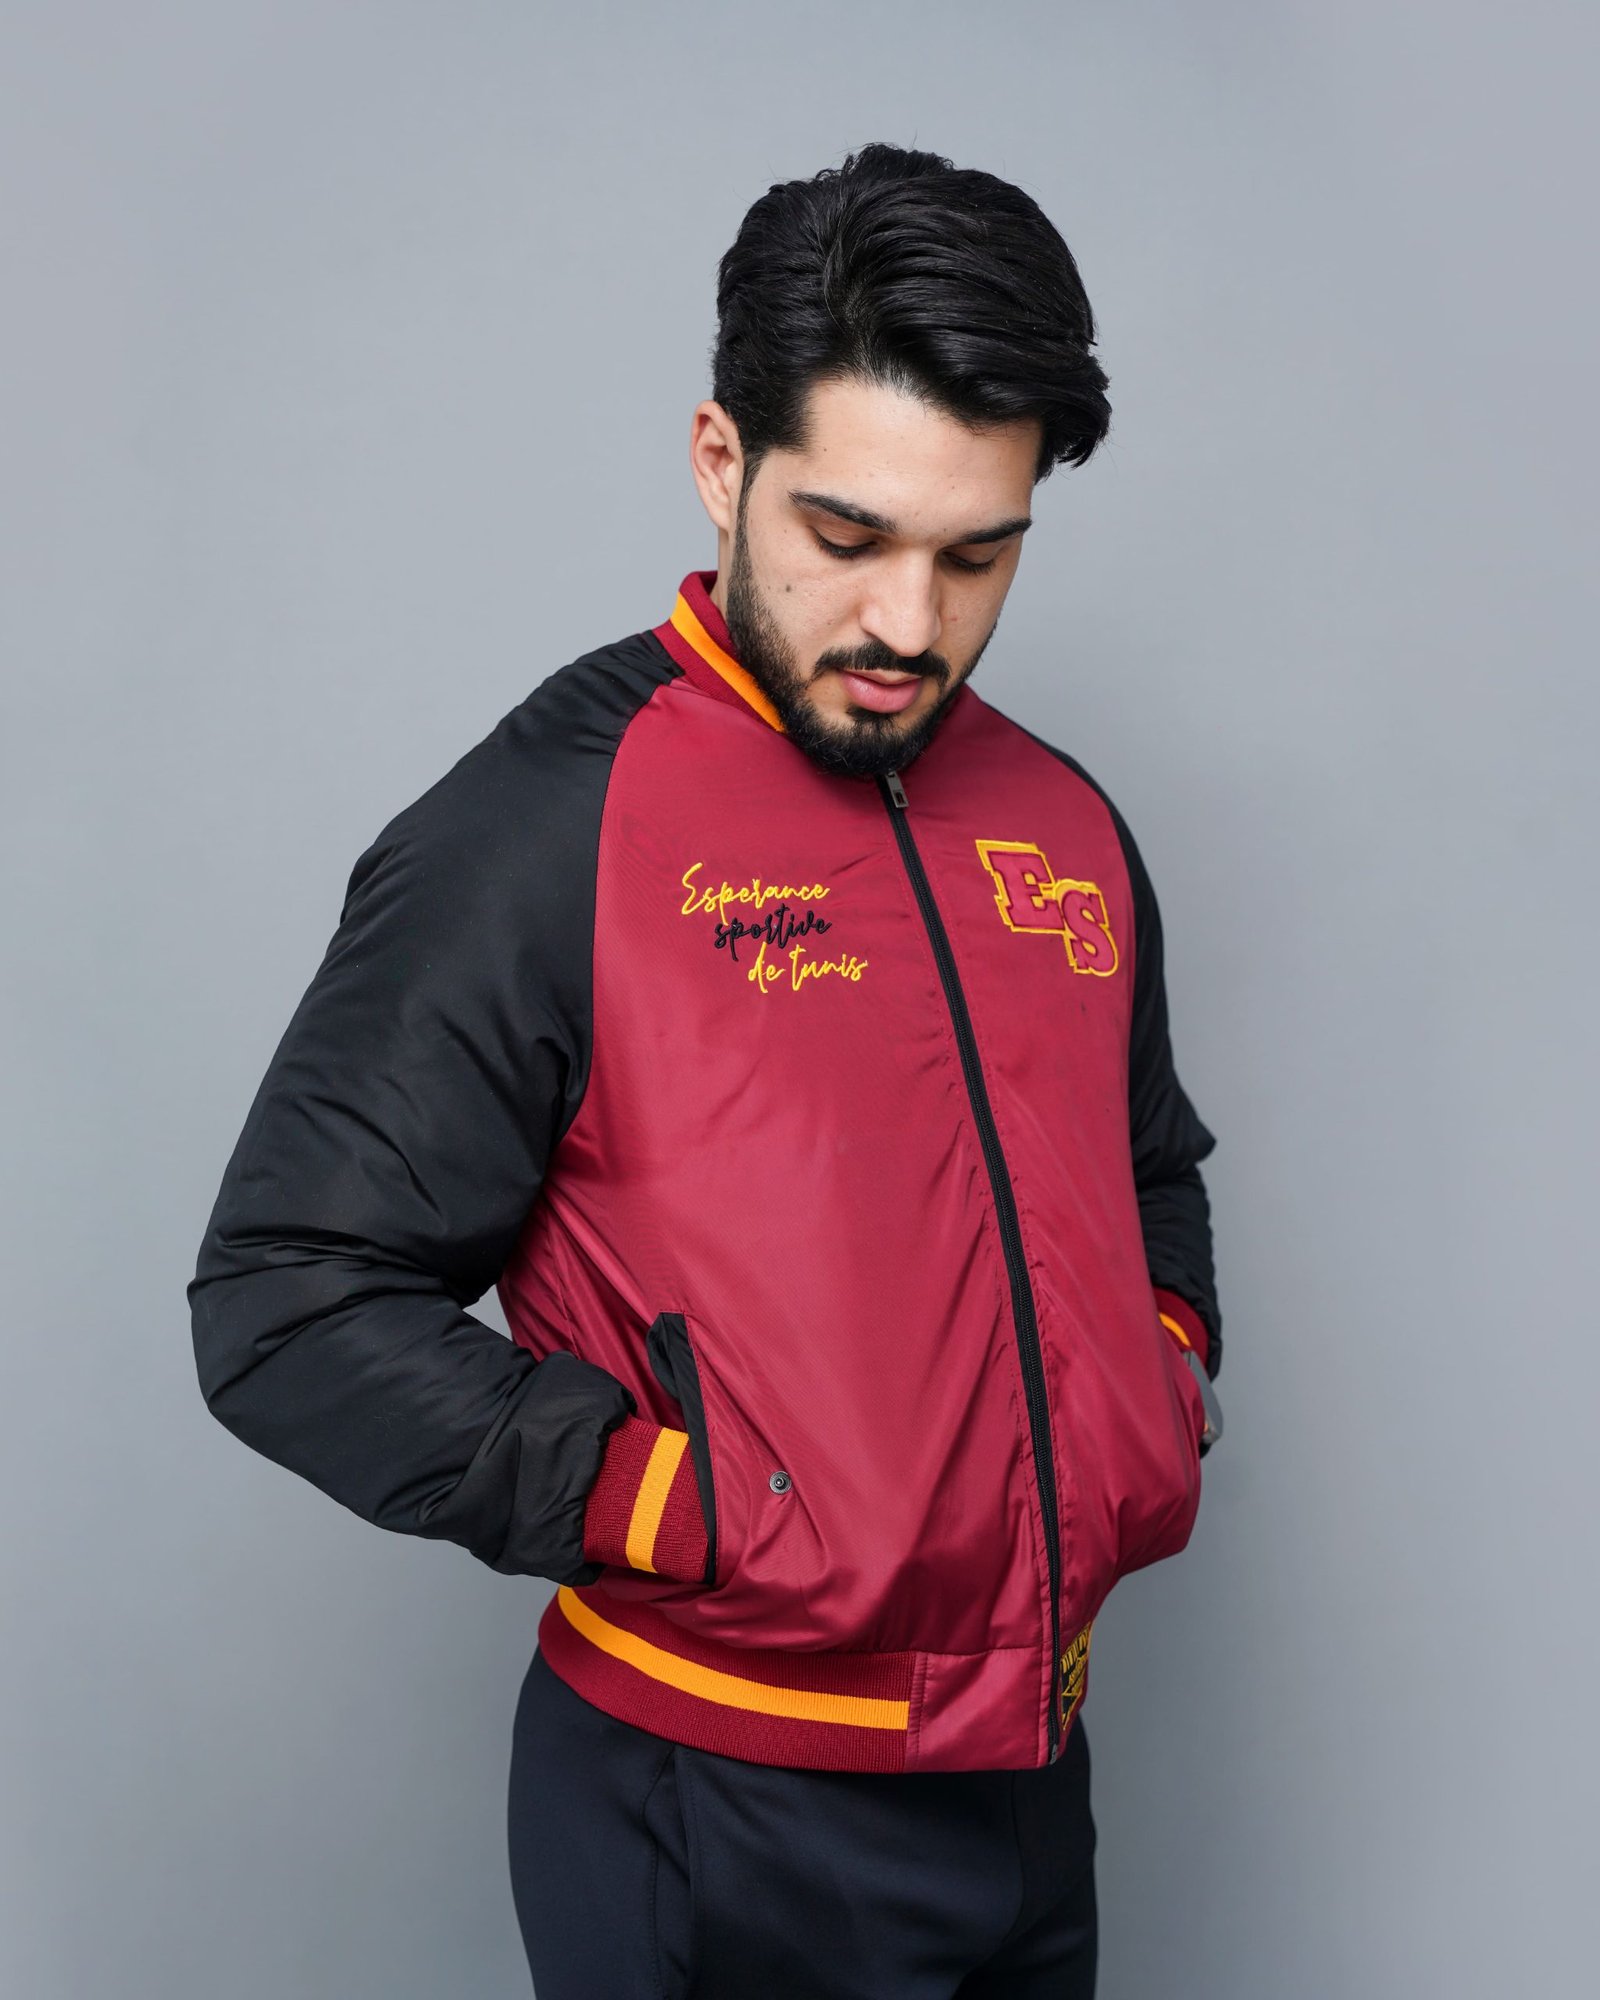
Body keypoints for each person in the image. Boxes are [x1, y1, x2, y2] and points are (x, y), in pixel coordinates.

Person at [189, 140, 1224, 1999]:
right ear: (723, 463)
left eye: (976, 555)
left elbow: (1144, 1159)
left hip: (1033, 1779)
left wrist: (1161, 1378)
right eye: (849, 537)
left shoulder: (1061, 821)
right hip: (721, 1798)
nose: (908, 626)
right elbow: (283, 1298)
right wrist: (678, 1507)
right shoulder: (547, 828)